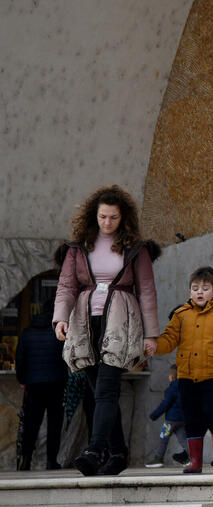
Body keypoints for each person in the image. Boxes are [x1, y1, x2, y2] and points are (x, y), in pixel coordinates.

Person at [53, 185, 161, 476]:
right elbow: (66, 286)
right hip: (85, 323)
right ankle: (117, 454)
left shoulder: (135, 248)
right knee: (101, 391)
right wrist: (60, 319)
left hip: (120, 322)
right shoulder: (78, 247)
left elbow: (147, 290)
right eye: (103, 217)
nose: (107, 223)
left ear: (122, 217)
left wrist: (151, 335)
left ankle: (95, 449)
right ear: (94, 215)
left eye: (113, 217)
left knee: (106, 389)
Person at [153, 266, 213, 474]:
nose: (200, 292)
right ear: (189, 292)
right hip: (186, 376)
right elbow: (169, 339)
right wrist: (154, 346)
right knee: (192, 418)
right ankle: (195, 461)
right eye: (195, 288)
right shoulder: (181, 315)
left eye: (205, 288)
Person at [15, 298, 67, 470]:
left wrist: (23, 380)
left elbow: (20, 360)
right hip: (55, 384)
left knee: (31, 424)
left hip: (34, 385)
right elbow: (65, 360)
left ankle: (26, 460)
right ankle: (51, 461)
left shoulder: (27, 332)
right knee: (54, 424)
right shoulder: (59, 333)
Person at [146, 363, 188, 467]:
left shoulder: (172, 388)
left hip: (171, 420)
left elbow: (165, 404)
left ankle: (158, 458)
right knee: (183, 439)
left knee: (163, 438)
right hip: (182, 419)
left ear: (172, 376)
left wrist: (153, 416)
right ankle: (193, 456)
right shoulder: (185, 387)